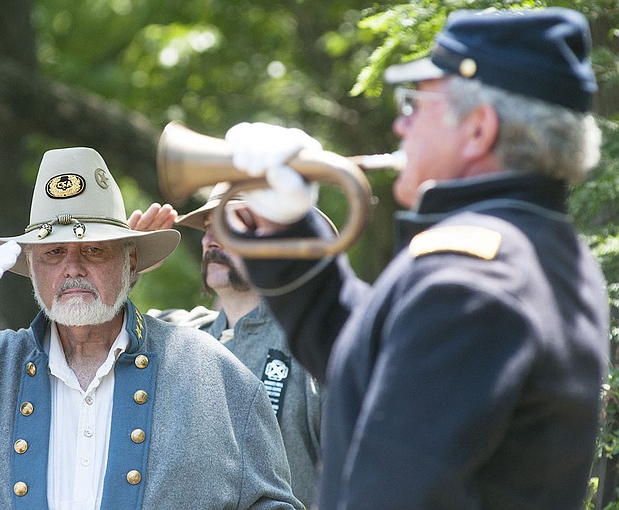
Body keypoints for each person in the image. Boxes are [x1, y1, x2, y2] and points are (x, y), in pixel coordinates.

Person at [217, 7, 609, 509]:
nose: (400, 126)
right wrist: (286, 227)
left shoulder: (469, 280)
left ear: (478, 129)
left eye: (415, 106)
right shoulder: (536, 253)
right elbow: (367, 357)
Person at [0, 147, 300, 510]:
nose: (71, 268)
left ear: (130, 260)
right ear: (31, 267)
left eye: (94, 249)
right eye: (52, 253)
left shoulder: (211, 374)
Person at [131, 184, 323, 509]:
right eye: (208, 228)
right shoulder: (176, 335)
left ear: (281, 238)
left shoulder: (314, 348)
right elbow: (87, 338)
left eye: (231, 223)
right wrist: (125, 266)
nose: (209, 240)